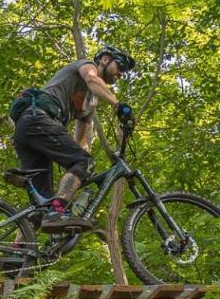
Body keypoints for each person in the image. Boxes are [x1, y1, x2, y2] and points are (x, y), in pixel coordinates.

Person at [10, 45, 137, 232]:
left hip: (29, 130)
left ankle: (16, 254)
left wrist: (84, 171)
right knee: (58, 206)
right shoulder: (87, 66)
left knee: (42, 209)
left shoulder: (90, 103)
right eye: (120, 66)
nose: (121, 74)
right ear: (105, 59)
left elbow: (81, 142)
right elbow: (92, 79)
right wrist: (117, 104)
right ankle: (57, 213)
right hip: (38, 118)